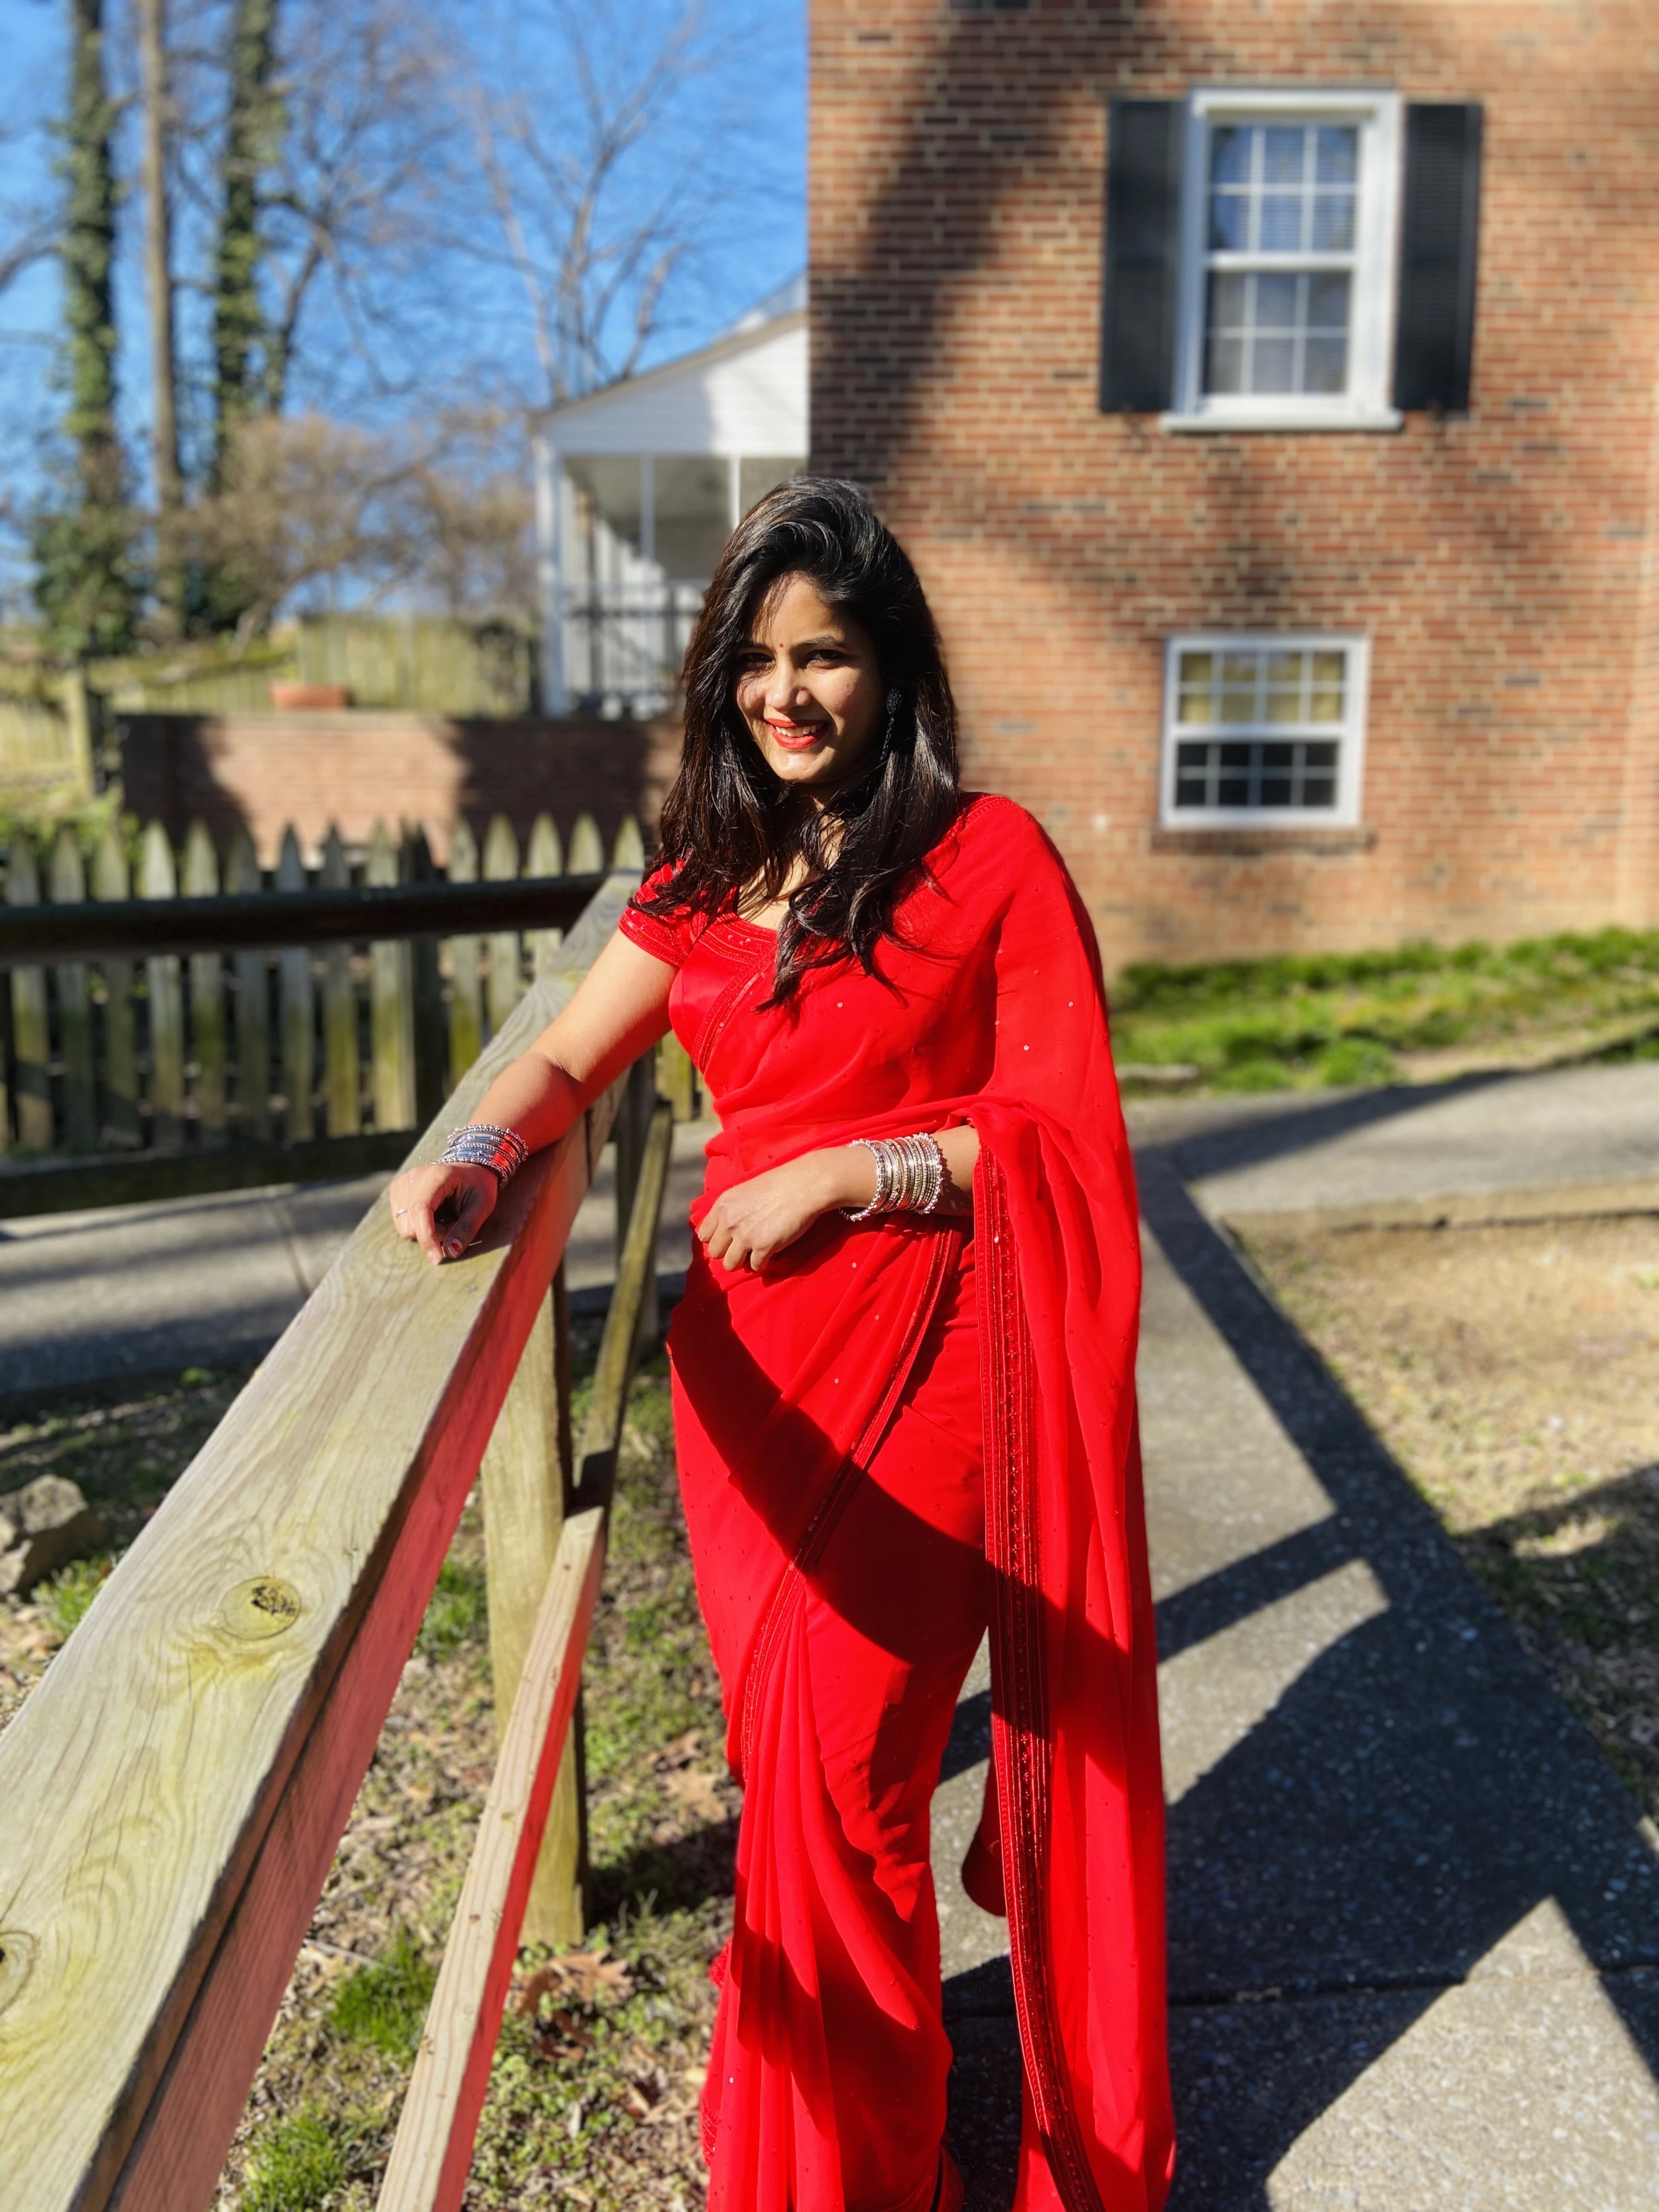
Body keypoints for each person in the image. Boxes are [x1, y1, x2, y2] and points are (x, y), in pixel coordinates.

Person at [389, 479, 1173, 2212]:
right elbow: (563, 1061)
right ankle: (804, 2116)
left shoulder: (988, 861)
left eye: (823, 653)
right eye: (754, 658)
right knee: (789, 1787)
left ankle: (862, 2171)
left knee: (847, 1790)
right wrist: (475, 1153)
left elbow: (1063, 1141)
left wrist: (852, 1166)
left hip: (927, 1377)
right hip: (745, 1387)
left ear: (890, 671)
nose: (786, 690)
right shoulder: (698, 883)